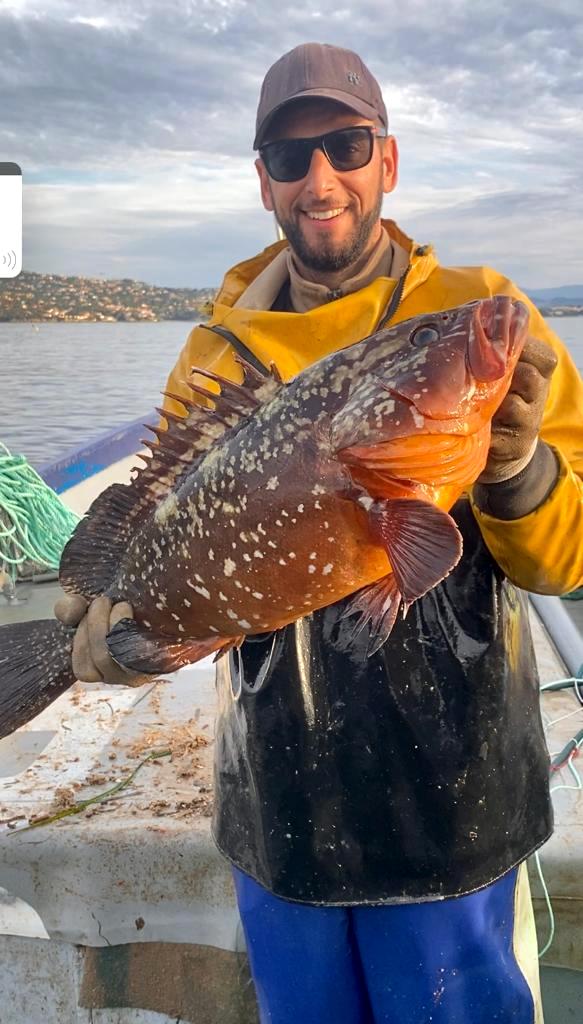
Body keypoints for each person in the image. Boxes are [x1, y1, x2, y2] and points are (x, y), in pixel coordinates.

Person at [58, 43, 583, 1024]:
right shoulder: (214, 354)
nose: (321, 177)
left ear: (388, 159)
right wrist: (112, 629)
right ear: (263, 180)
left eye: (346, 144)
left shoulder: (474, 310)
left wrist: (511, 466)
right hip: (278, 810)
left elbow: (565, 556)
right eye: (291, 155)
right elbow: (161, 528)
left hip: (454, 806)